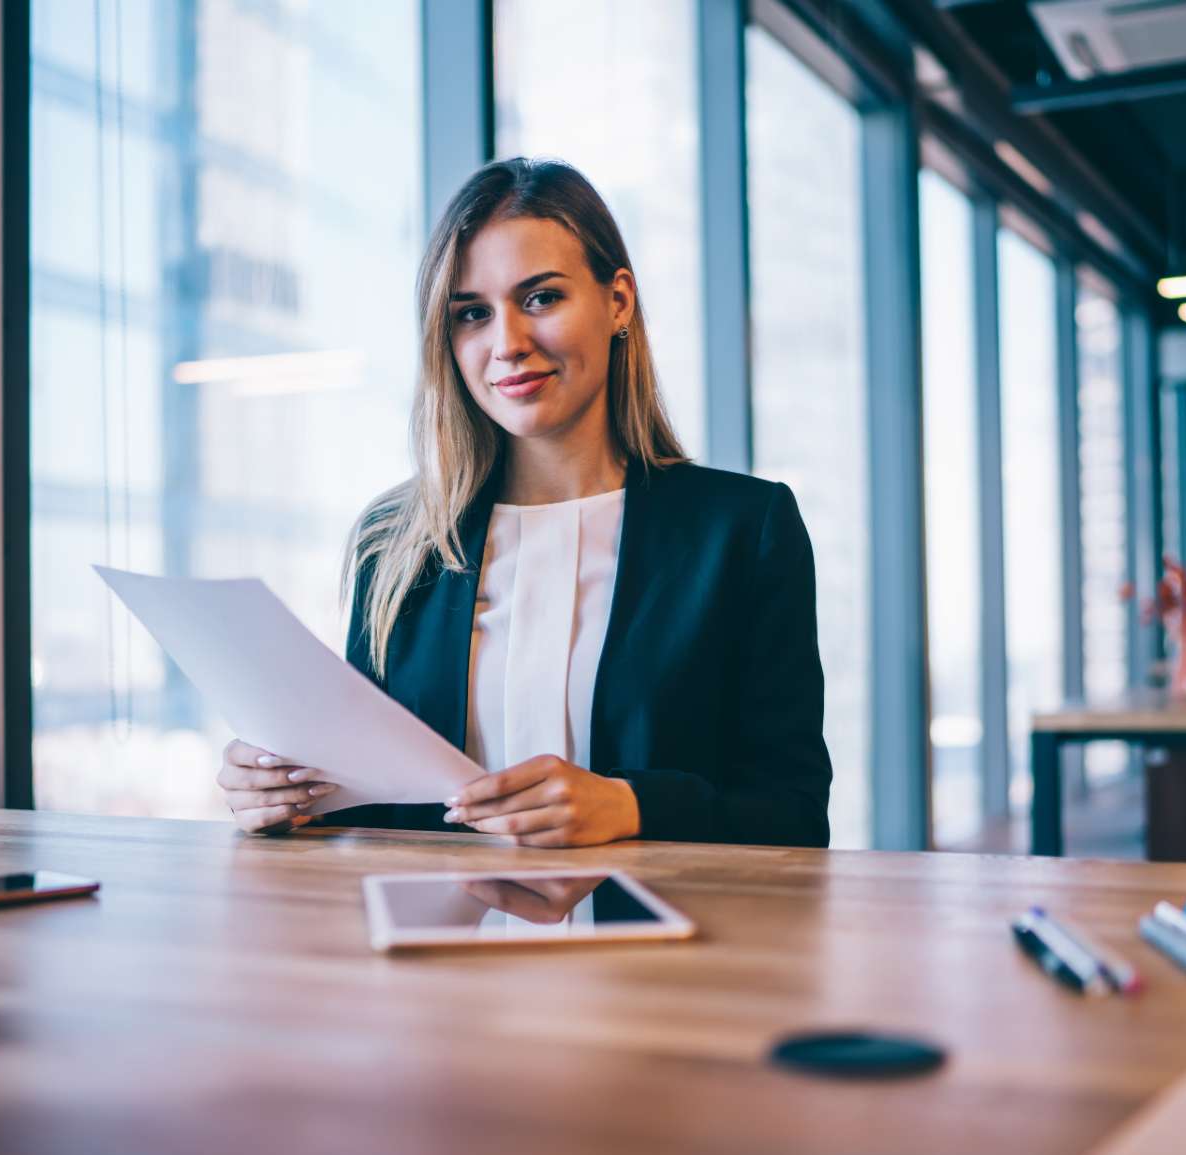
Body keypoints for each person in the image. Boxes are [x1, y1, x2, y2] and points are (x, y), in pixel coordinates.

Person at [217, 157, 831, 848]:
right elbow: (370, 818)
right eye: (472, 314)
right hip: (437, 948)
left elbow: (794, 816)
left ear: (618, 301)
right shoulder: (395, 540)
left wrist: (631, 807)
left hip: (659, 951)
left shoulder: (743, 530)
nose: (507, 344)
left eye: (541, 298)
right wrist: (280, 799)